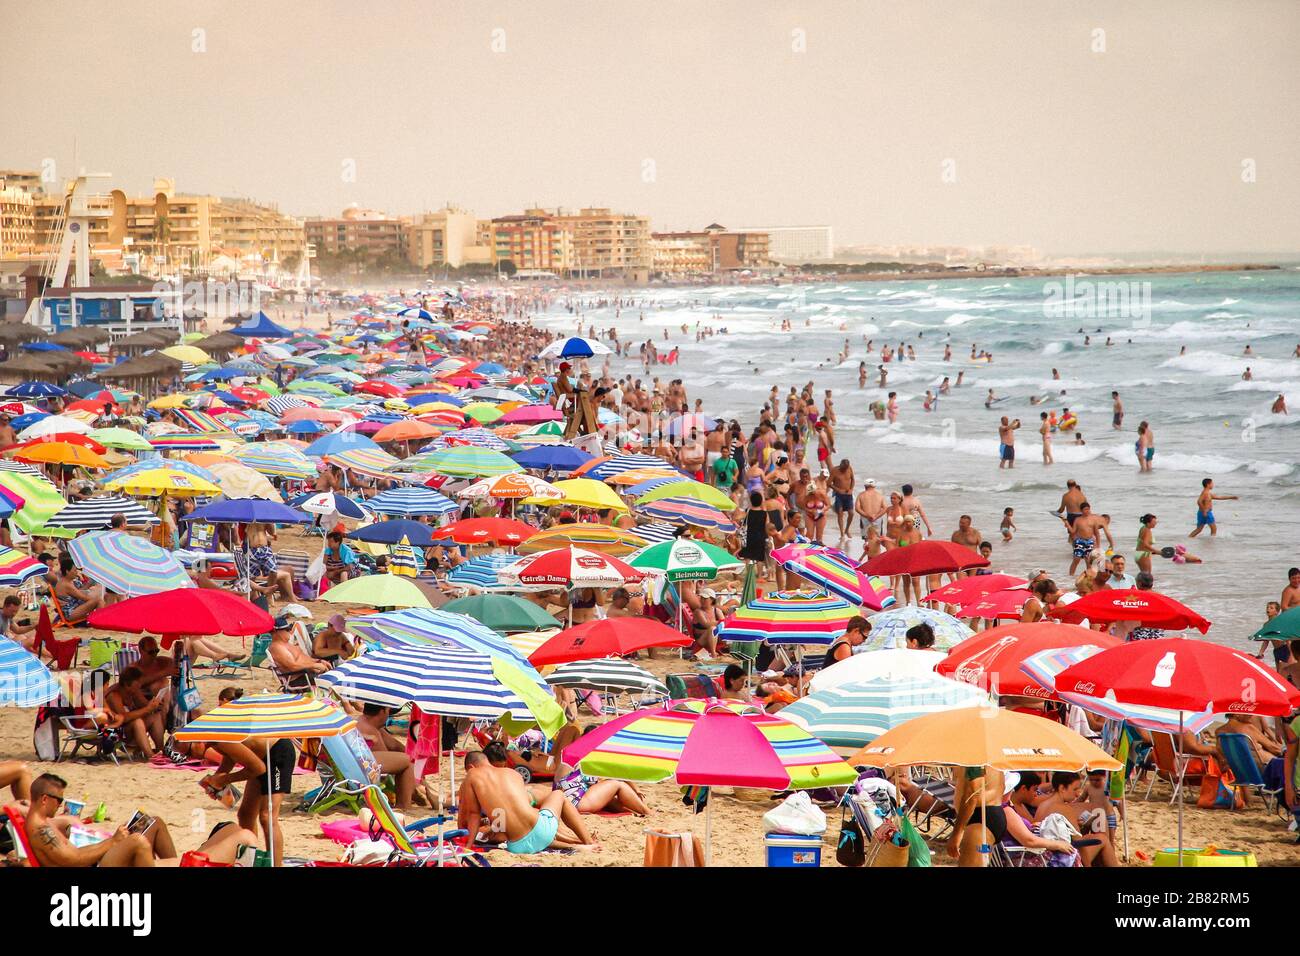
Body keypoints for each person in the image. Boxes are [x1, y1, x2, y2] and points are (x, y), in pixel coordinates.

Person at [24, 772, 187, 867]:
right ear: (44, 799)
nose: (61, 805)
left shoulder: (41, 822)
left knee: (154, 822)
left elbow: (76, 853)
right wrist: (113, 842)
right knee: (137, 840)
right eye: (59, 800)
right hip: (93, 865)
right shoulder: (40, 831)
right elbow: (75, 860)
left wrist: (112, 840)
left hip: (92, 858)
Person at [460, 751, 599, 853]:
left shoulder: (472, 775)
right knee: (558, 794)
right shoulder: (512, 773)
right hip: (542, 831)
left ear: (471, 767)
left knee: (523, 827)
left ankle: (577, 845)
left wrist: (468, 847)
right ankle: (588, 841)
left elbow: (473, 814)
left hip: (516, 846)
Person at [354, 703, 418, 811]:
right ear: (383, 711)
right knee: (407, 760)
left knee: (409, 759)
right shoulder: (369, 729)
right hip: (362, 769)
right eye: (388, 711)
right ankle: (403, 805)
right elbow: (389, 769)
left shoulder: (366, 723)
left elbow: (395, 745)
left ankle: (424, 793)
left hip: (357, 765)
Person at [105, 665, 167, 758]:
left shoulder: (134, 692)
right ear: (127, 684)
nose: (139, 685)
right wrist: (147, 709)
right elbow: (123, 718)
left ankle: (160, 749)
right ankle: (150, 756)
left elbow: (145, 705)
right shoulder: (114, 695)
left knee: (155, 716)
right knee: (137, 722)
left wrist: (154, 704)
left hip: (133, 730)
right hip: (119, 732)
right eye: (137, 683)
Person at [54, 556, 102, 624]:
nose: (76, 572)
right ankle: (99, 621)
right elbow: (84, 598)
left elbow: (80, 593)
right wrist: (95, 597)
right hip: (70, 613)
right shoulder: (66, 584)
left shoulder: (66, 581)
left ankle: (99, 620)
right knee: (98, 600)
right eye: (74, 570)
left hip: (73, 608)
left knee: (97, 596)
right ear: (67, 571)